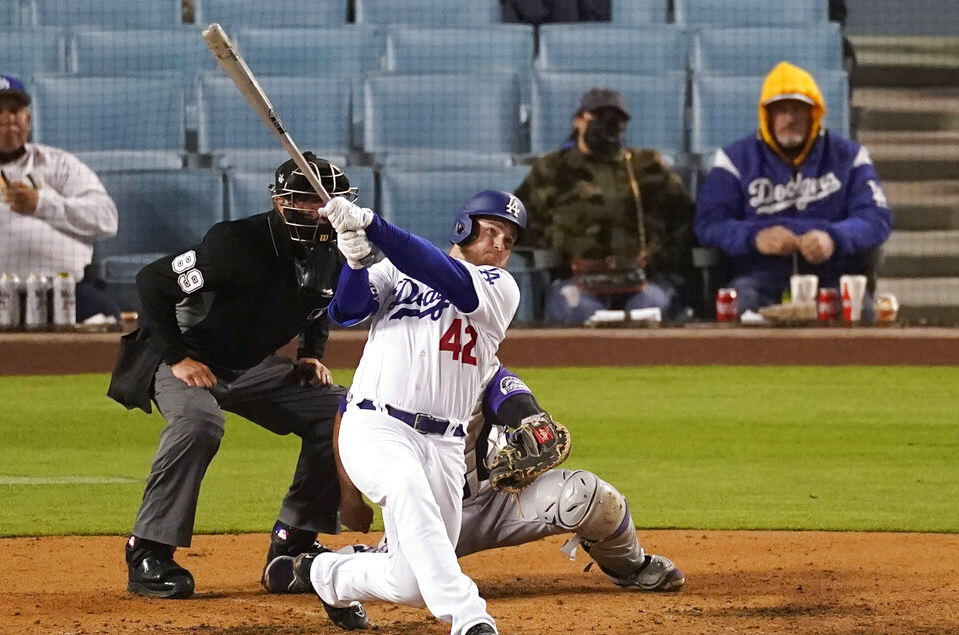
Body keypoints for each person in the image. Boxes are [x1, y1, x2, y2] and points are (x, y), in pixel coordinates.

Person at [275, 190, 526, 635]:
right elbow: (346, 312)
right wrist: (354, 260)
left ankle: (326, 575)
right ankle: (471, 619)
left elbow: (441, 271)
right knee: (405, 486)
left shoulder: (500, 288)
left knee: (410, 581)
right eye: (491, 230)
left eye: (508, 239)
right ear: (463, 227)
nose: (499, 244)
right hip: (375, 425)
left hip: (446, 445)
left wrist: (373, 225)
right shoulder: (393, 271)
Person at [110, 153, 355, 600]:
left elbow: (319, 302)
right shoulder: (236, 244)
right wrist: (179, 356)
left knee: (343, 413)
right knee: (200, 423)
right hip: (180, 356)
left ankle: (293, 545)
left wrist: (309, 354)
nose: (321, 211)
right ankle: (148, 552)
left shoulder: (337, 250)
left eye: (328, 201)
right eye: (309, 201)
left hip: (249, 365)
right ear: (282, 203)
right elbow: (153, 282)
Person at [265, 362, 685, 596]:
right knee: (404, 578)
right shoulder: (390, 372)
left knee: (585, 495)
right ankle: (317, 568)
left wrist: (532, 426)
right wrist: (350, 495)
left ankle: (632, 567)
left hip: (501, 500)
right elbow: (345, 416)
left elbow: (519, 403)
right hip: (432, 514)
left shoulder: (483, 367)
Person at [693, 62, 892, 317]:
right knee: (738, 305)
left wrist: (833, 238)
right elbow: (709, 223)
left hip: (831, 274)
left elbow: (877, 218)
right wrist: (755, 237)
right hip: (758, 276)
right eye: (781, 110)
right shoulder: (734, 160)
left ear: (814, 114)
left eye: (799, 109)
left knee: (859, 310)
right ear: (767, 116)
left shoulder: (849, 156)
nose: (790, 118)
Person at [0, 74, 120, 321]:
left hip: (66, 291)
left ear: (28, 120)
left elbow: (106, 219)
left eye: (15, 110)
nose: (7, 118)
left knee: (114, 329)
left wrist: (42, 204)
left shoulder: (59, 163)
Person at [514, 87, 696, 324]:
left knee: (648, 312)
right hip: (576, 280)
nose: (608, 125)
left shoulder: (647, 166)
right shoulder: (552, 168)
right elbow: (515, 221)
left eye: (617, 120)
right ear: (579, 121)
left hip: (642, 280)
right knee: (580, 313)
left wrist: (656, 256)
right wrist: (553, 251)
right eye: (598, 117)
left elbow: (685, 218)